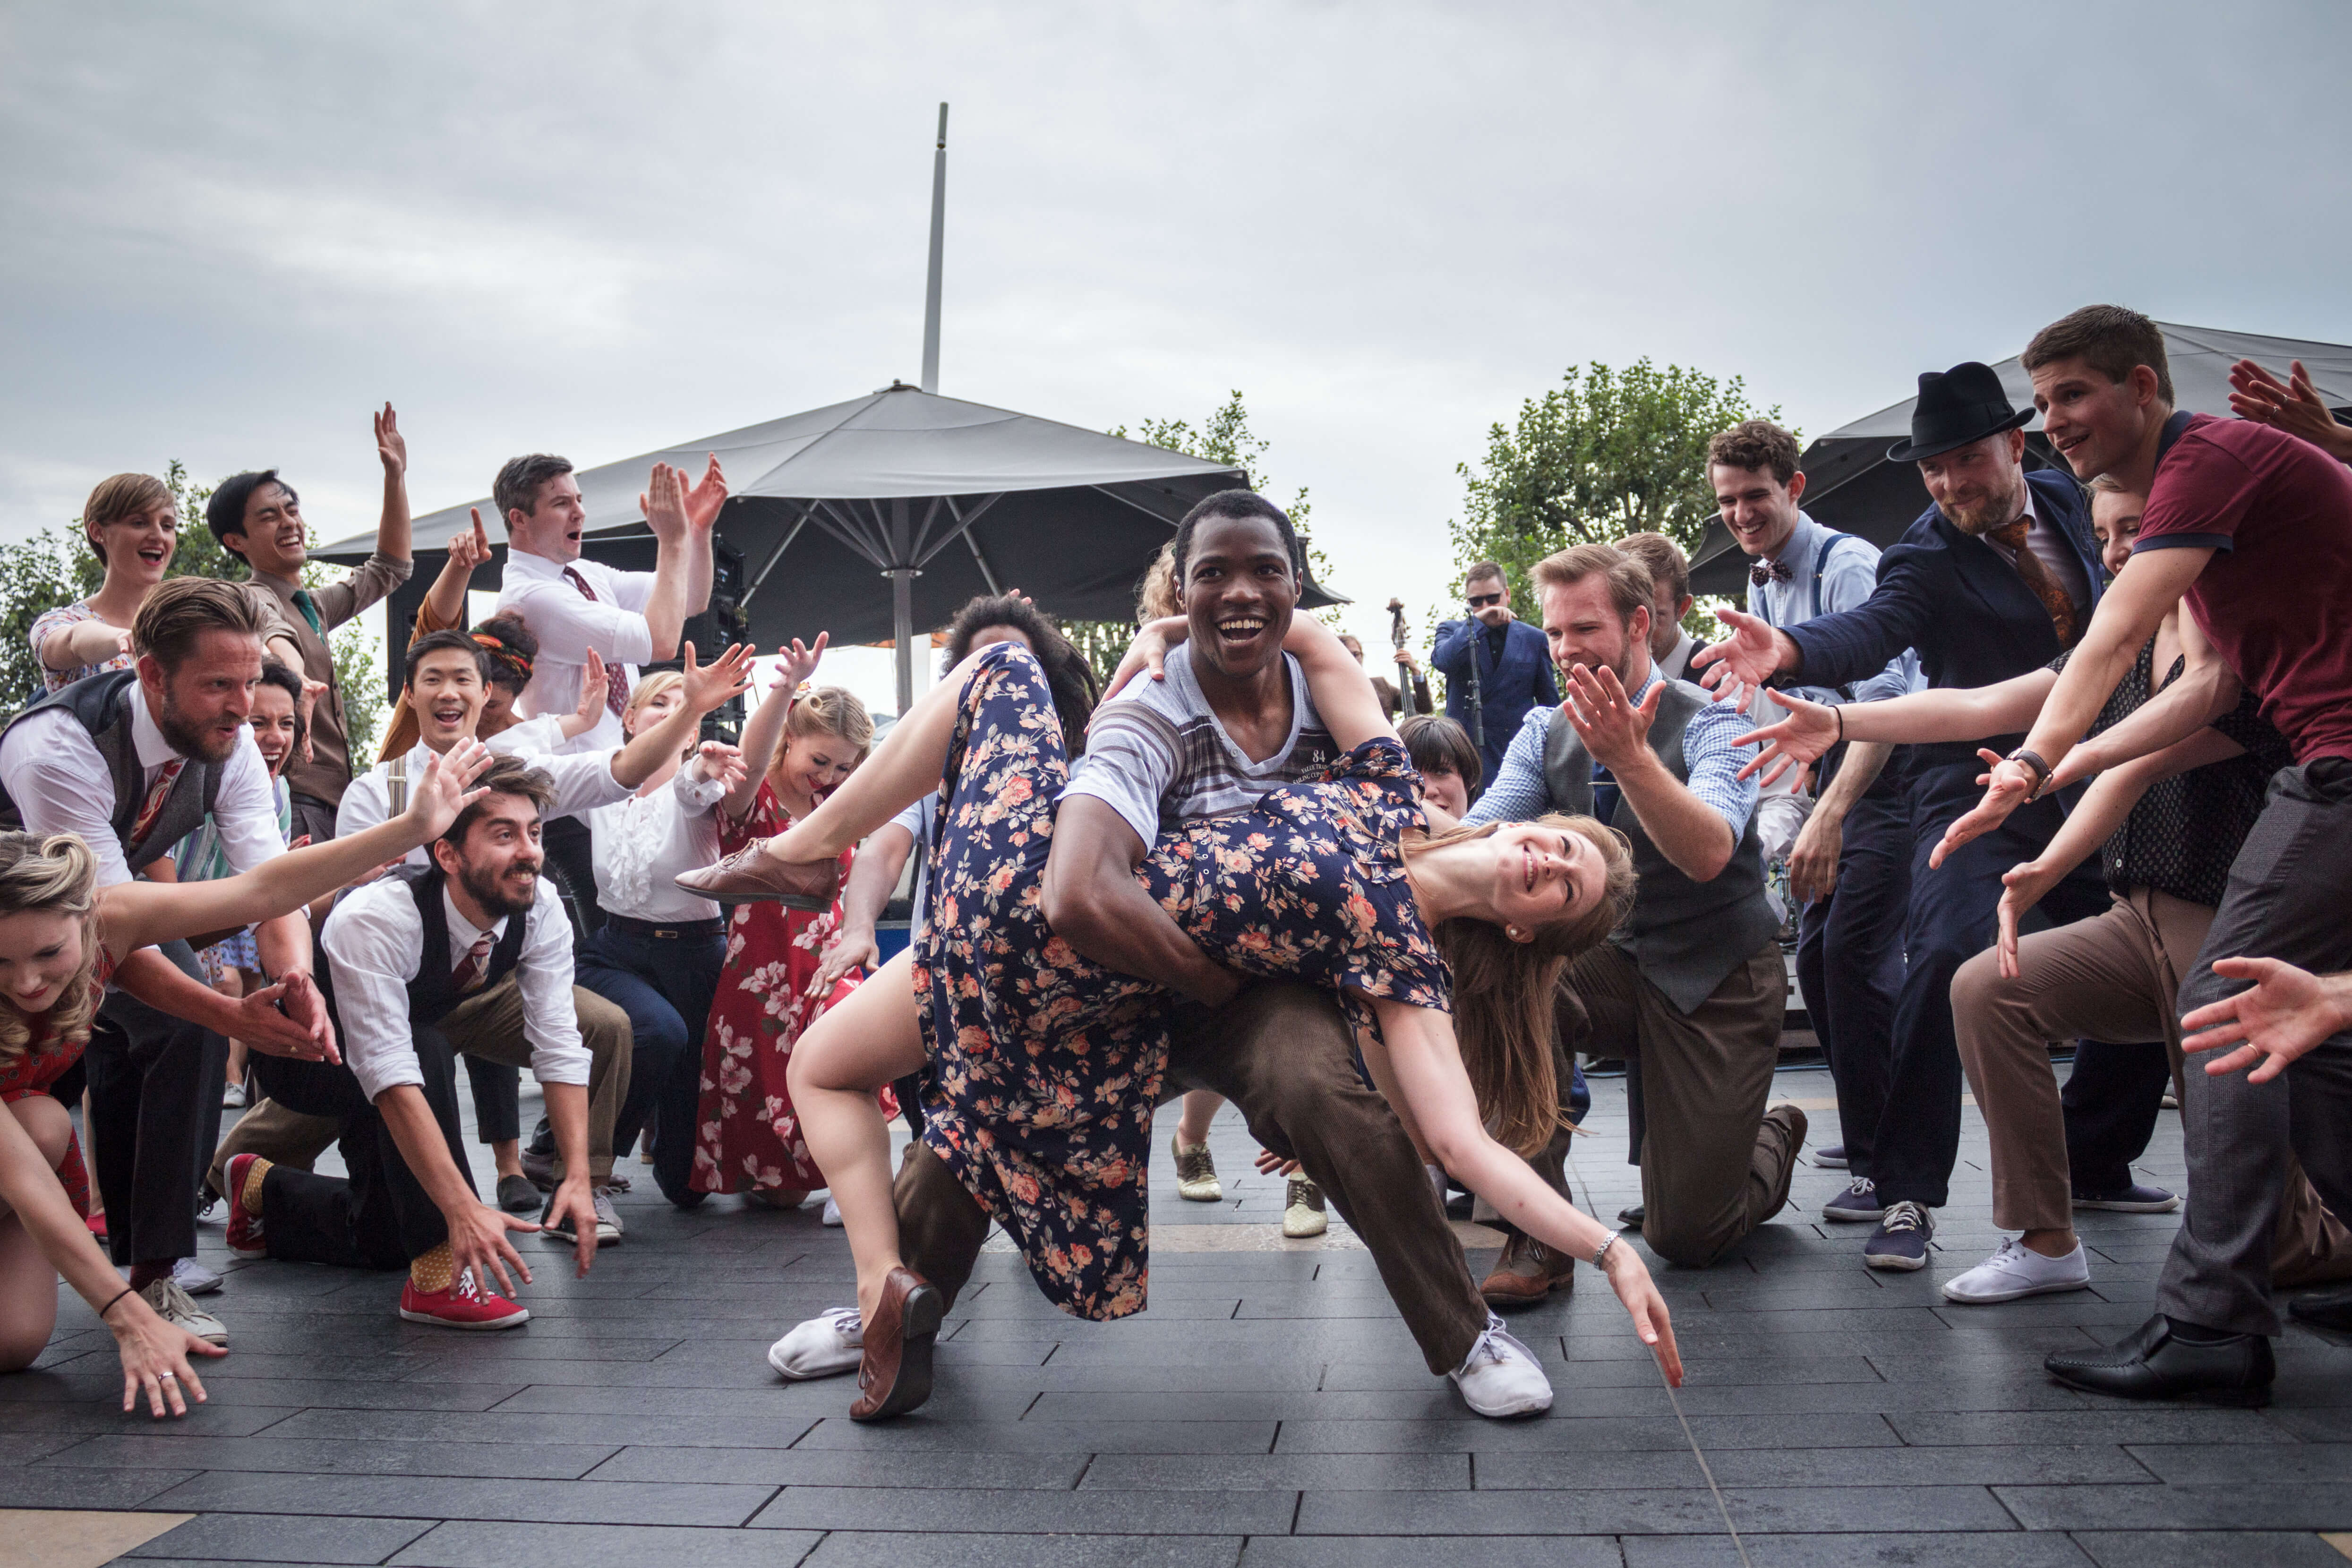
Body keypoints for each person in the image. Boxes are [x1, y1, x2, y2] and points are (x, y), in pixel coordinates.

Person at [740, 492, 1587, 1422]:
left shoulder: (1324, 698)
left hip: (1257, 991)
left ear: (1289, 592)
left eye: (1262, 576)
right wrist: (1155, 641)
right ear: (1182, 601)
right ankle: (885, 1306)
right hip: (1124, 952)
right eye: (1209, 581)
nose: (1240, 598)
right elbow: (1080, 868)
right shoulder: (1152, 697)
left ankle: (1464, 1334)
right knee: (983, 1106)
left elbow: (1337, 710)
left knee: (1317, 1088)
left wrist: (1351, 1087)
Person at [1737, 477, 2342, 1302]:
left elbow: (2143, 750)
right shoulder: (2120, 641)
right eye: (2106, 536)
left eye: (2138, 529)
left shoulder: (2239, 642)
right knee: (1985, 987)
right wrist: (1840, 722)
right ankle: (2044, 1238)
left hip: (2230, 928)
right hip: (2136, 920)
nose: (2121, 551)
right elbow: (1981, 702)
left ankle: (2277, 1257)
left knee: (2282, 1245)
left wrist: (2048, 765)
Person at [1925, 306, 2352, 1403]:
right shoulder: (2210, 494)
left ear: (2143, 388)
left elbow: (2114, 638)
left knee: (2226, 999)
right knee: (2301, 1021)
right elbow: (2199, 694)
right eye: (2043, 401)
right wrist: (2049, 771)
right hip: (2322, 760)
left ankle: (2211, 1321)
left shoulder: (2205, 463)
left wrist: (2033, 763)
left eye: (2072, 394)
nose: (2054, 421)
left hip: (2338, 766)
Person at [1692, 362, 2110, 1272]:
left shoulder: (2072, 499)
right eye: (1931, 469)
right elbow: (1874, 630)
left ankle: (2097, 1155)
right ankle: (1906, 1191)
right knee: (1947, 958)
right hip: (1967, 778)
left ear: (2014, 445)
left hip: (2094, 768)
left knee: (2152, 934)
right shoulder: (1920, 554)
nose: (1949, 483)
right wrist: (1790, 647)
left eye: (1965, 460)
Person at [0, 737, 493, 1403]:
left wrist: (410, 827)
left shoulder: (110, 917)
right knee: (35, 1125)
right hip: (13, 1154)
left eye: (48, 954)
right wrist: (129, 1317)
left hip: (25, 1131)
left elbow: (260, 888)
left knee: (15, 1342)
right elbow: (22, 1180)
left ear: (86, 922)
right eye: (1, 963)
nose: (28, 982)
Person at [0, 579, 335, 1344]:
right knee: (181, 1019)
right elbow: (113, 934)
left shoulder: (231, 740)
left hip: (82, 924)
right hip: (27, 936)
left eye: (250, 681)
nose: (242, 706)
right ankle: (134, 1269)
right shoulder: (57, 745)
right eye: (219, 684)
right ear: (151, 674)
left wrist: (296, 980)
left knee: (15, 1343)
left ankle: (152, 1270)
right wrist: (226, 1011)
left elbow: (270, 887)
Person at [340, 628, 755, 1234]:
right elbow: (347, 915)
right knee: (326, 1116)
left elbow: (620, 767)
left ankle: (579, 1187)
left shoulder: (519, 775)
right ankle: (243, 1168)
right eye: (433, 679)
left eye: (462, 679)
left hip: (487, 987)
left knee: (608, 1026)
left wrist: (691, 707)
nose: (449, 691)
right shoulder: (376, 792)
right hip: (400, 994)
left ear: (486, 692)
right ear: (409, 694)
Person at [1467, 543, 1806, 1273]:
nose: (1565, 649)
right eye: (1553, 632)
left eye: (1584, 628)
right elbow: (1478, 835)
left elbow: (1708, 852)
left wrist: (1628, 757)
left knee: (1686, 1236)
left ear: (1638, 624)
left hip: (1718, 972)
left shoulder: (1715, 719)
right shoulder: (1542, 730)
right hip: (1614, 962)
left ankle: (1769, 1137)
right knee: (1498, 965)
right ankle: (1538, 1228)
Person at [225, 755, 616, 1328]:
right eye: (504, 835)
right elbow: (388, 1071)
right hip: (305, 1056)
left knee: (385, 1240)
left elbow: (557, 1042)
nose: (529, 852)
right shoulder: (378, 917)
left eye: (534, 833)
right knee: (426, 1054)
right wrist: (462, 1210)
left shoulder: (539, 907)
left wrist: (577, 1175)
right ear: (447, 855)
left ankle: (261, 1187)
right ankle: (440, 1281)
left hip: (399, 1051)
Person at [1702, 422, 1920, 1211]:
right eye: (1727, 500)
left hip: (1888, 770)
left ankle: (1889, 1164)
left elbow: (1884, 708)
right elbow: (1798, 703)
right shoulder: (1760, 576)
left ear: (1794, 487)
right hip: (1828, 767)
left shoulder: (1846, 564)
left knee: (1854, 958)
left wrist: (1827, 813)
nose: (1740, 514)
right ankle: (1869, 1124)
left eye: (1755, 496)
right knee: (1822, 966)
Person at [815, 597, 1102, 1149]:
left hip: (1043, 1004)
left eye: (1016, 661)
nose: (1000, 676)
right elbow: (882, 851)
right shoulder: (931, 770)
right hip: (941, 995)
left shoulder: (1083, 768)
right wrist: (857, 928)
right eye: (981, 664)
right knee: (914, 1140)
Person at [493, 455, 726, 938]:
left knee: (649, 929)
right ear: (519, 518)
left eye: (579, 500)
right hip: (581, 804)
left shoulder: (583, 572)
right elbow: (662, 641)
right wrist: (671, 542)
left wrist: (696, 532)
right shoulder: (532, 596)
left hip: (627, 787)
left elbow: (690, 600)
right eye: (561, 503)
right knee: (613, 938)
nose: (580, 512)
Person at [692, 660, 874, 1206]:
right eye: (819, 760)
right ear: (789, 736)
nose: (828, 776)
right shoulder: (750, 800)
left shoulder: (835, 801)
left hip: (828, 965)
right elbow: (750, 762)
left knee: (859, 1052)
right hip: (760, 975)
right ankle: (806, 1177)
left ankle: (855, 1183)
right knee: (781, 1197)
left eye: (842, 766)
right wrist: (785, 689)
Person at [576, 670, 750, 1209]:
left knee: (685, 1189)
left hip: (694, 958)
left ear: (694, 732)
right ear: (629, 719)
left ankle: (656, 1133)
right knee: (656, 1031)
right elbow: (543, 762)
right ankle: (585, 1170)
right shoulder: (601, 788)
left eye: (685, 709)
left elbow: (693, 785)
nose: (673, 713)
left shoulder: (693, 789)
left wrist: (705, 766)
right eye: (660, 704)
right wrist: (577, 718)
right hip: (615, 953)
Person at [204, 406, 415, 846]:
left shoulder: (312, 605)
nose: (289, 523)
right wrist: (296, 678)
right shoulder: (251, 597)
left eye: (292, 509)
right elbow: (273, 633)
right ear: (235, 541)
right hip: (296, 801)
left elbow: (389, 568)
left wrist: (395, 478)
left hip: (336, 802)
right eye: (269, 516)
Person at [32, 475, 180, 695]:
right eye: (139, 523)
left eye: (167, 526)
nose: (159, 535)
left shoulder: (186, 621)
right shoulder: (60, 622)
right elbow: (74, 640)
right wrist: (121, 639)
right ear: (98, 532)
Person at [1433, 562, 1559, 787]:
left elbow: (1549, 705)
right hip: (1462, 758)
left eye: (1492, 599)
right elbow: (1443, 661)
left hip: (1515, 758)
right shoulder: (1452, 631)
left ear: (1507, 595)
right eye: (1476, 602)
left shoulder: (1534, 639)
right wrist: (1478, 623)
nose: (1485, 607)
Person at [1338, 632, 1429, 723]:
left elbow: (1424, 707)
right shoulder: (1331, 690)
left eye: (1356, 654)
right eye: (1347, 655)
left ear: (1362, 656)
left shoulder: (1381, 686)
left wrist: (1416, 671)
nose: (1353, 659)